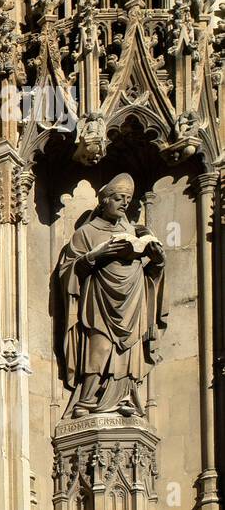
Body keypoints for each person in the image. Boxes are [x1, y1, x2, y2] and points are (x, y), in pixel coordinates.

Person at [54, 173, 165, 418]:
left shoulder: (136, 232)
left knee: (128, 349)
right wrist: (97, 255)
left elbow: (151, 274)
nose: (125, 203)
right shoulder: (86, 233)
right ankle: (88, 398)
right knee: (100, 346)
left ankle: (126, 397)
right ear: (105, 201)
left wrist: (157, 261)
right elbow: (68, 270)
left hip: (133, 299)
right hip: (99, 300)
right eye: (118, 198)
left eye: (128, 199)